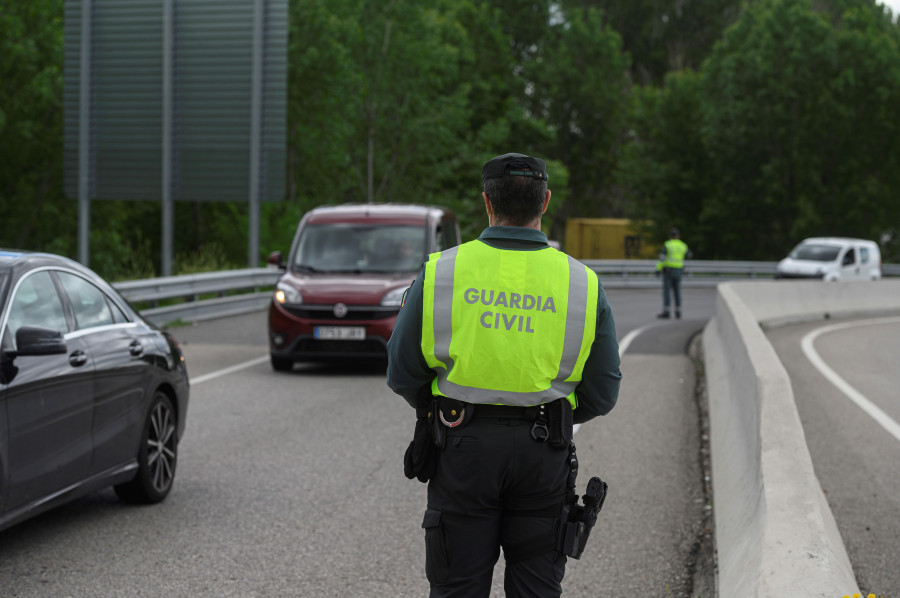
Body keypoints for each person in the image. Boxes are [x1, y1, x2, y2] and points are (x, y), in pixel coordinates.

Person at [386, 152, 622, 598]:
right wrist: (554, 414)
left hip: (461, 451)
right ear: (545, 201)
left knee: (456, 587)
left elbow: (402, 372)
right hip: (544, 455)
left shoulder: (441, 272)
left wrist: (442, 409)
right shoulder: (583, 283)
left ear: (486, 202)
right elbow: (603, 393)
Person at [655, 227, 691, 319]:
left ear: (670, 236)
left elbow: (662, 258)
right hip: (678, 271)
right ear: (678, 236)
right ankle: (678, 311)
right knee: (677, 292)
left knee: (667, 292)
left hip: (668, 271)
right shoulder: (683, 245)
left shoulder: (668, 245)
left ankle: (667, 311)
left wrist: (658, 269)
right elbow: (689, 255)